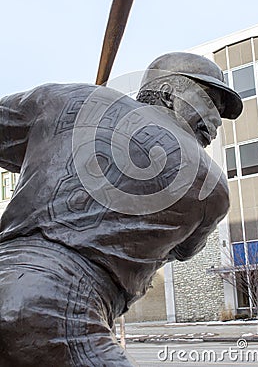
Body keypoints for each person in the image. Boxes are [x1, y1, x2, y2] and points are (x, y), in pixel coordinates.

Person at [0, 52, 242, 366]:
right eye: (209, 102)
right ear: (167, 90)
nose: (215, 121)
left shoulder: (64, 100)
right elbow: (182, 249)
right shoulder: (212, 186)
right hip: (57, 309)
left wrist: (64, 133)